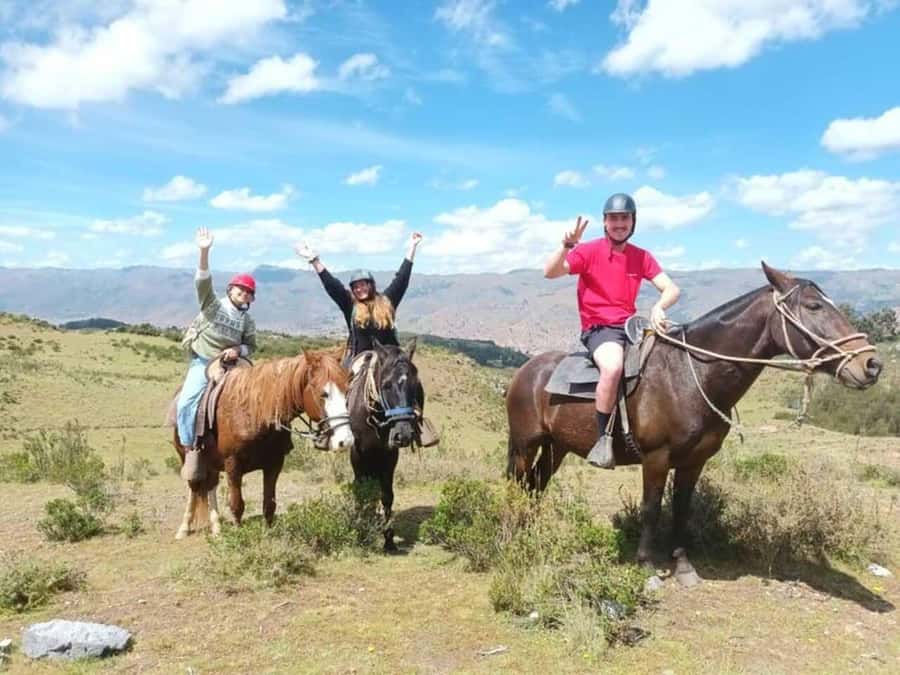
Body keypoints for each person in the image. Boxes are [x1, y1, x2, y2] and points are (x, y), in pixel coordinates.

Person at [544, 193, 680, 469]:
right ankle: (603, 438)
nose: (620, 223)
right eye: (614, 218)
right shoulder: (589, 251)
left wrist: (659, 307)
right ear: (605, 222)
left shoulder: (641, 257)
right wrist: (567, 246)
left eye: (625, 218)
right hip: (600, 329)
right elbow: (551, 272)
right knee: (613, 367)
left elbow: (671, 288)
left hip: (631, 327)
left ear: (633, 222)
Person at [296, 233, 437, 446]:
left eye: (364, 285)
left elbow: (402, 278)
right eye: (356, 286)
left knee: (412, 381)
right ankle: (330, 431)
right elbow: (331, 286)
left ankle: (418, 424)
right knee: (335, 387)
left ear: (371, 285)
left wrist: (412, 247)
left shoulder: (387, 301)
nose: (360, 289)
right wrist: (314, 260)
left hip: (389, 357)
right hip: (359, 357)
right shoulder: (350, 306)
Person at [177, 227, 257, 481]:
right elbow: (202, 282)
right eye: (239, 290)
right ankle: (191, 448)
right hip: (204, 361)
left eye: (247, 292)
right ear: (230, 290)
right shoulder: (213, 306)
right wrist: (204, 251)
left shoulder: (247, 321)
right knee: (187, 402)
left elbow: (252, 345)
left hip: (232, 364)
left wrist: (238, 349)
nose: (243, 294)